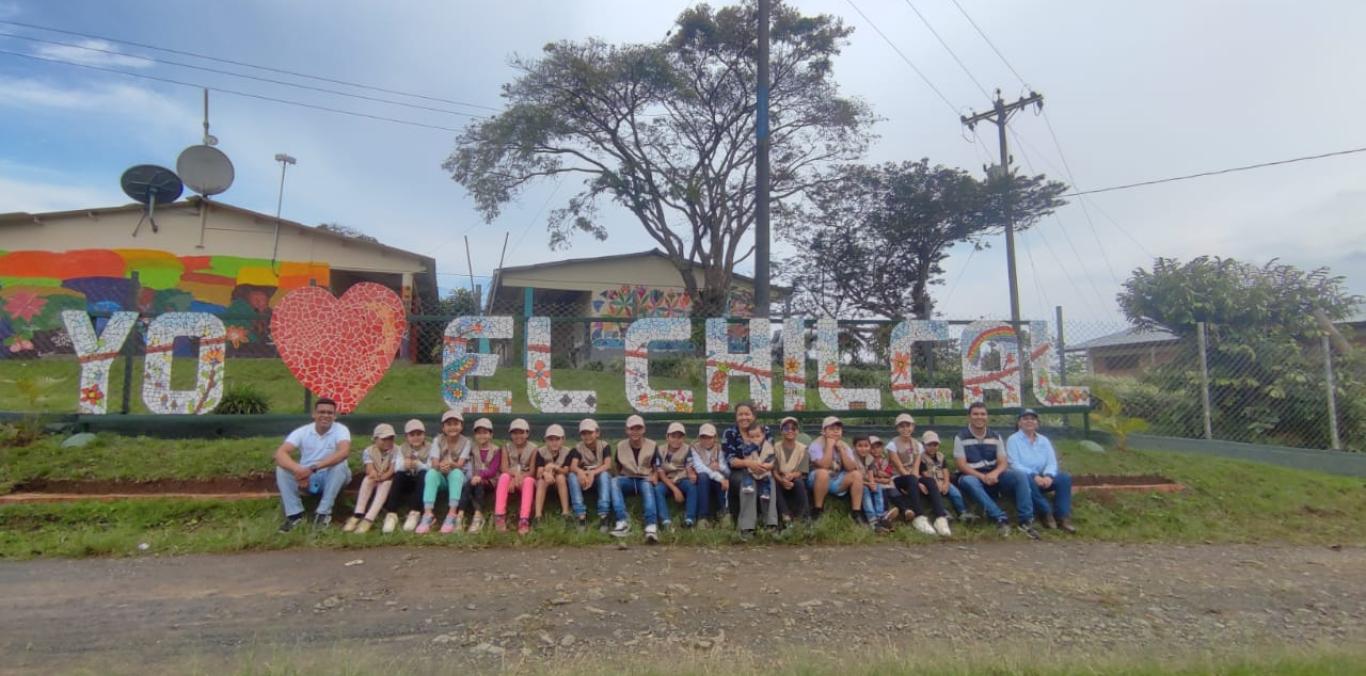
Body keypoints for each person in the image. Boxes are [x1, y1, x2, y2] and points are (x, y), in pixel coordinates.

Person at [953, 402, 1039, 539]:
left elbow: (1003, 462)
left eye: (982, 414)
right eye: (975, 414)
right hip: (973, 477)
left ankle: (1026, 521)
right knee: (968, 480)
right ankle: (1000, 517)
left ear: (987, 417)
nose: (979, 417)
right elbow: (961, 465)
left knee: (1020, 475)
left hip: (995, 475)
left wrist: (995, 473)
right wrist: (982, 476)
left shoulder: (995, 436)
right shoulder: (960, 437)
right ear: (969, 417)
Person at [274, 397, 352, 532]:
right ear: (314, 414)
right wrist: (298, 470)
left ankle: (323, 514)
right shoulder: (302, 431)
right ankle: (294, 516)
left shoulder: (341, 430)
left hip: (329, 475)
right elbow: (280, 453)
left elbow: (344, 452)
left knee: (340, 465)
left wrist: (312, 468)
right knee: (281, 469)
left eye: (329, 413)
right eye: (321, 412)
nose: (325, 416)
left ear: (335, 416)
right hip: (306, 478)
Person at [1006, 409, 1076, 533]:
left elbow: (1051, 462)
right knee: (1026, 478)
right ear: (1019, 423)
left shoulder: (1044, 440)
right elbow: (1013, 464)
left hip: (1043, 477)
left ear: (1037, 423)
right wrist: (1034, 476)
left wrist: (1048, 476)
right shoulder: (1013, 440)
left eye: (1032, 419)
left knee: (1064, 478)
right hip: (1025, 478)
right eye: (1025, 418)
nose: (1029, 421)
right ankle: (1045, 512)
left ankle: (1062, 517)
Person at [721, 402, 779, 538]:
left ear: (754, 416)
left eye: (747, 414)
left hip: (763, 468)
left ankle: (771, 525)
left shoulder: (764, 430)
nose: (744, 417)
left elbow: (771, 453)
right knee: (748, 483)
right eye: (740, 414)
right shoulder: (730, 433)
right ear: (736, 417)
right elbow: (731, 460)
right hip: (739, 470)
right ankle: (747, 527)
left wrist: (766, 466)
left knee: (769, 480)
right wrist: (749, 463)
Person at [885, 414, 946, 536]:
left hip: (912, 476)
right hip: (898, 477)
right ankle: (919, 516)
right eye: (902, 426)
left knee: (929, 481)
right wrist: (916, 482)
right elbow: (899, 468)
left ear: (913, 427)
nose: (905, 429)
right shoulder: (892, 445)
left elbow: (916, 468)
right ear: (897, 428)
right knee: (912, 479)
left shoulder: (918, 445)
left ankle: (940, 518)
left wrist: (919, 481)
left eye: (908, 425)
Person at [807, 416, 870, 525]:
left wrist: (841, 450)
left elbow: (851, 467)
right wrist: (830, 446)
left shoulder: (844, 445)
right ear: (823, 431)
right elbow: (824, 465)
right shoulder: (816, 444)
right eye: (831, 429)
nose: (835, 431)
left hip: (837, 479)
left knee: (856, 475)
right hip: (818, 479)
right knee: (823, 473)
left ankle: (856, 512)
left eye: (838, 429)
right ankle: (818, 510)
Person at [417, 410, 470, 535]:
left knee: (456, 472)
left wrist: (450, 464)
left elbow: (461, 464)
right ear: (443, 427)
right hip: (441, 475)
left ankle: (452, 513)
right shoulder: (437, 440)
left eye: (456, 423)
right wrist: (441, 465)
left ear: (461, 426)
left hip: (457, 476)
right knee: (430, 473)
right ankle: (428, 514)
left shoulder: (466, 442)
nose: (452, 427)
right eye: (449, 424)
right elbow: (434, 462)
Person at [614, 415, 661, 542]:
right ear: (626, 430)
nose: (635, 432)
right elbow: (617, 466)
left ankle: (651, 526)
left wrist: (655, 476)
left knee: (647, 486)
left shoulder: (652, 445)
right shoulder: (620, 446)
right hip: (627, 478)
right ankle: (622, 521)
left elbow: (657, 465)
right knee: (614, 482)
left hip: (645, 478)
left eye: (638, 428)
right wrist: (619, 477)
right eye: (631, 429)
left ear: (643, 429)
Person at [344, 423, 399, 534]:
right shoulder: (369, 451)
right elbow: (369, 467)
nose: (388, 442)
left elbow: (392, 469)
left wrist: (384, 476)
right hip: (375, 475)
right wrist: (373, 473)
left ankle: (370, 517)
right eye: (384, 439)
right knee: (367, 480)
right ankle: (358, 513)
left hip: (388, 477)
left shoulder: (396, 450)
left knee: (385, 485)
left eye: (391, 438)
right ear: (375, 439)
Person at [567, 418, 616, 533]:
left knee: (604, 475)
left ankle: (604, 515)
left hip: (599, 476)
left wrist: (593, 473)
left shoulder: (604, 446)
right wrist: (580, 472)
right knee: (572, 476)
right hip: (585, 478)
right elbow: (573, 466)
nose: (587, 436)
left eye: (590, 432)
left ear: (597, 433)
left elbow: (607, 465)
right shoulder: (578, 448)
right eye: (584, 433)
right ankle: (581, 516)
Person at [458, 418, 503, 534]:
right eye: (478, 433)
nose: (481, 435)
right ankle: (460, 515)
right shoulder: (472, 449)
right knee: (467, 486)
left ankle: (478, 516)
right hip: (473, 479)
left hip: (490, 481)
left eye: (485, 432)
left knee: (479, 485)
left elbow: (493, 470)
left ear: (491, 434)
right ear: (474, 435)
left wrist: (479, 475)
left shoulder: (496, 450)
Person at [386, 418, 431, 533]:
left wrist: (418, 464)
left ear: (424, 435)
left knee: (424, 474)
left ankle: (415, 512)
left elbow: (431, 466)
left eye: (419, 434)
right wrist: (404, 465)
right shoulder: (402, 448)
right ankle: (391, 513)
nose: (416, 437)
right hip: (407, 478)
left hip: (422, 481)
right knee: (399, 475)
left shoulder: (430, 447)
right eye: (412, 435)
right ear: (407, 437)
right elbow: (397, 467)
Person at [912, 430, 957, 536]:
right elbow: (924, 473)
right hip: (932, 481)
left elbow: (945, 470)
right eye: (929, 445)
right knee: (932, 491)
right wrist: (937, 483)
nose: (932, 447)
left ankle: (962, 512)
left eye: (935, 444)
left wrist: (946, 483)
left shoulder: (941, 456)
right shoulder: (922, 458)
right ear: (923, 445)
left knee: (955, 494)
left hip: (942, 480)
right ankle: (944, 513)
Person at [498, 418, 537, 535]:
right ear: (511, 434)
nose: (518, 435)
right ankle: (499, 516)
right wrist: (514, 476)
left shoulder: (533, 448)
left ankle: (524, 520)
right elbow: (503, 468)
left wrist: (519, 477)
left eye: (521, 432)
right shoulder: (506, 447)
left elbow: (532, 471)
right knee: (504, 476)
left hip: (525, 478)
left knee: (529, 481)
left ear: (527, 433)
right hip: (511, 476)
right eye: (515, 433)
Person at [686, 423, 729, 528]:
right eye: (703, 437)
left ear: (714, 437)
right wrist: (720, 477)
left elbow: (726, 469)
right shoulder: (694, 448)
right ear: (699, 437)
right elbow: (699, 467)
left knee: (721, 482)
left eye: (709, 437)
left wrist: (719, 468)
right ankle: (703, 517)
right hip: (703, 480)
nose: (706, 440)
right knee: (703, 476)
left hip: (718, 481)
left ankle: (723, 513)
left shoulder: (720, 449)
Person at [654, 422, 695, 530]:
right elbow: (660, 472)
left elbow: (689, 468)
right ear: (667, 437)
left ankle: (689, 519)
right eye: (673, 436)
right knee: (658, 489)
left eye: (679, 437)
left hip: (681, 478)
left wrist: (691, 475)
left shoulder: (688, 449)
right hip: (666, 480)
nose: (676, 440)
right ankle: (665, 521)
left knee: (692, 487)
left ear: (684, 438)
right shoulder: (659, 449)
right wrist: (675, 489)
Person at [772, 416, 810, 523]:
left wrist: (792, 476)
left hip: (795, 478)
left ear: (797, 431)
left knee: (799, 483)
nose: (790, 431)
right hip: (780, 478)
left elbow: (802, 471)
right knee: (774, 484)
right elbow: (773, 469)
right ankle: (785, 514)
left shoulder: (803, 449)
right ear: (781, 431)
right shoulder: (775, 447)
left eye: (793, 428)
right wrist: (781, 480)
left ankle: (805, 517)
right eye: (786, 428)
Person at [534, 424, 572, 524]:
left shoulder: (568, 451)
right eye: (550, 439)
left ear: (563, 440)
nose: (554, 442)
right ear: (546, 440)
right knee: (542, 481)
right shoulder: (541, 451)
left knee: (560, 477)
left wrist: (554, 467)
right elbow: (539, 472)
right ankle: (538, 516)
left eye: (557, 439)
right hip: (547, 480)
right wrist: (545, 474)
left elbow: (566, 470)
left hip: (562, 481)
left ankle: (565, 512)